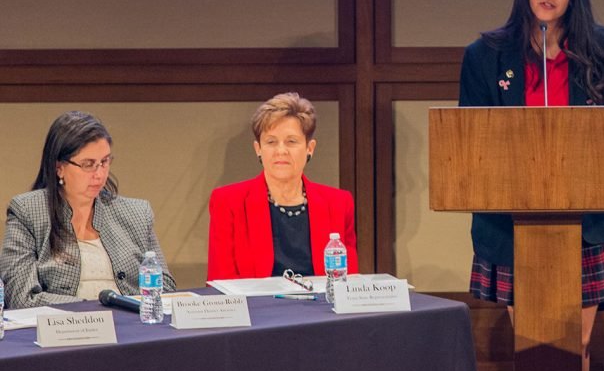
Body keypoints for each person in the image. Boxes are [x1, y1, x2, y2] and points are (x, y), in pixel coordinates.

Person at [458, 0, 604, 371]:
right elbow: (470, 138)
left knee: (576, 343)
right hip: (512, 219)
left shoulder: (602, 47)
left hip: (588, 218)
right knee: (535, 344)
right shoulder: (485, 54)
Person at [0, 111, 176, 309]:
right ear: (59, 167)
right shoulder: (27, 212)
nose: (99, 174)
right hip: (66, 325)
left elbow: (165, 289)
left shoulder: (136, 213)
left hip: (131, 323)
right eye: (88, 164)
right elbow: (21, 297)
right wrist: (94, 311)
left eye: (104, 162)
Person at [207, 92, 358, 280]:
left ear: (309, 148)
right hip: (256, 300)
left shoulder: (338, 203)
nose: (281, 151)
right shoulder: (228, 202)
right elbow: (220, 282)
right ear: (258, 149)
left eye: (291, 141)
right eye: (271, 142)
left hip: (321, 300)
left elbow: (348, 281)